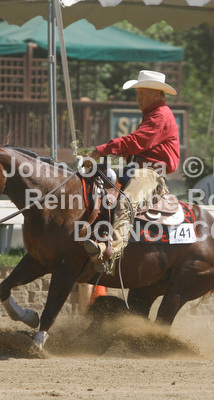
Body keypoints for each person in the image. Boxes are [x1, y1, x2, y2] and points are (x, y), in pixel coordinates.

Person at [83, 70, 180, 267]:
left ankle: (110, 252)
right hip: (136, 169)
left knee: (126, 202)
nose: (138, 98)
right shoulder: (153, 114)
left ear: (156, 94)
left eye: (141, 93)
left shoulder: (161, 114)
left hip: (149, 173)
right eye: (137, 94)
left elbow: (137, 141)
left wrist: (100, 151)